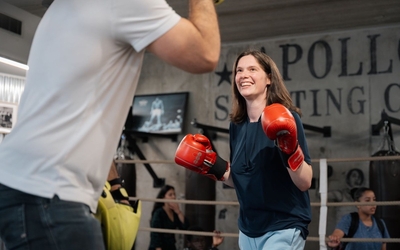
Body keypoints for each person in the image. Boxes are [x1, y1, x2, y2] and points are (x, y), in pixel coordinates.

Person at [0, 0, 221, 249]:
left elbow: (88, 117)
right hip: (47, 190)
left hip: (29, 184)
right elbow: (204, 54)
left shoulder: (64, 7)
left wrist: (115, 184)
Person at [174, 49, 313, 249]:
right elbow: (241, 178)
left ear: (268, 79)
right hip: (248, 229)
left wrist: (290, 151)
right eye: (239, 70)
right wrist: (210, 164)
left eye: (252, 69)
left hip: (283, 224)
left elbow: (304, 182)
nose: (244, 75)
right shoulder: (237, 125)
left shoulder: (287, 118)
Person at [149, 185, 190, 250]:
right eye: (170, 195)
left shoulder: (174, 212)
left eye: (174, 194)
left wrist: (178, 211)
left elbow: (185, 227)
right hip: (159, 247)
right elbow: (155, 234)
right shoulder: (159, 213)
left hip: (171, 246)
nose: (173, 197)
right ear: (163, 197)